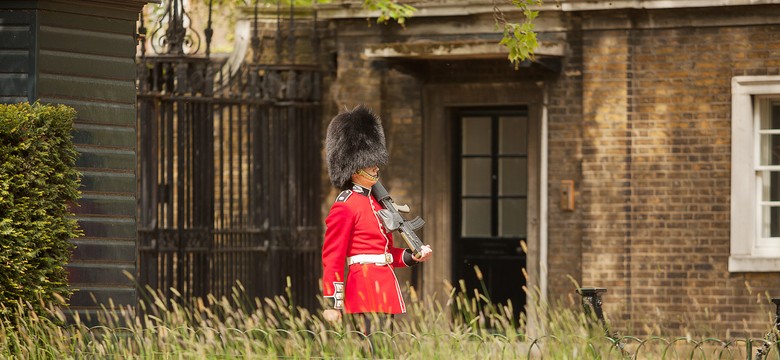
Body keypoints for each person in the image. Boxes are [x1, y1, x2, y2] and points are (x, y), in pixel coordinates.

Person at [321, 105, 432, 333]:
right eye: (369, 163)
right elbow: (333, 255)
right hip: (362, 289)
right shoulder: (345, 205)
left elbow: (385, 252)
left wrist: (413, 256)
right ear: (354, 169)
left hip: (385, 287)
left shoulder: (376, 202)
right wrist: (333, 302)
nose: (375, 167)